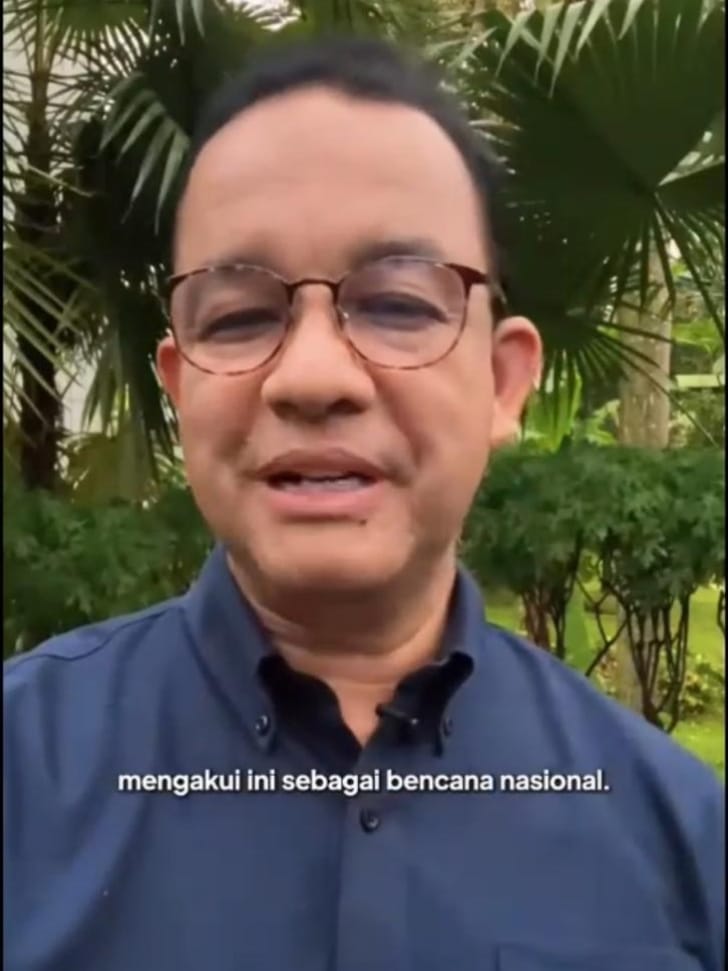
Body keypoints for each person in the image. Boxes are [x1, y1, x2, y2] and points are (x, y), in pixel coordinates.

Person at [4, 34, 723, 971]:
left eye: (398, 304)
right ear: (181, 390)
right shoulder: (22, 778)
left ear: (504, 383)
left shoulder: (680, 844)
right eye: (240, 315)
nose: (312, 377)